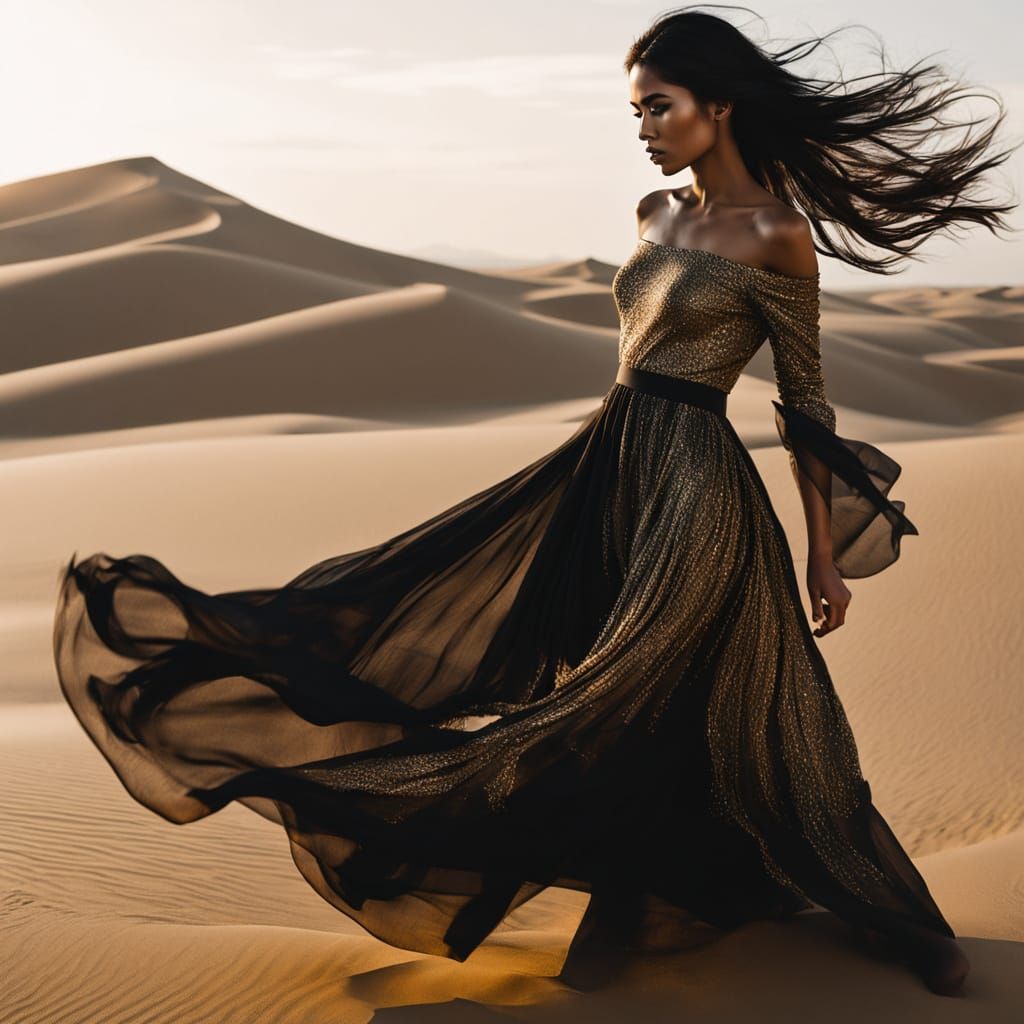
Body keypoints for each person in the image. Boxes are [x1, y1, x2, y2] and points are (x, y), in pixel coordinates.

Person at [52, 4, 1017, 1001]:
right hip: (604, 472)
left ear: (718, 106)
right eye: (634, 109)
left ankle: (895, 922)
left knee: (673, 702)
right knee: (557, 665)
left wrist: (821, 550)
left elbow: (804, 400)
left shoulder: (776, 234)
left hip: (697, 487)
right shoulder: (653, 214)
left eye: (658, 106)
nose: (641, 126)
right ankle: (649, 891)